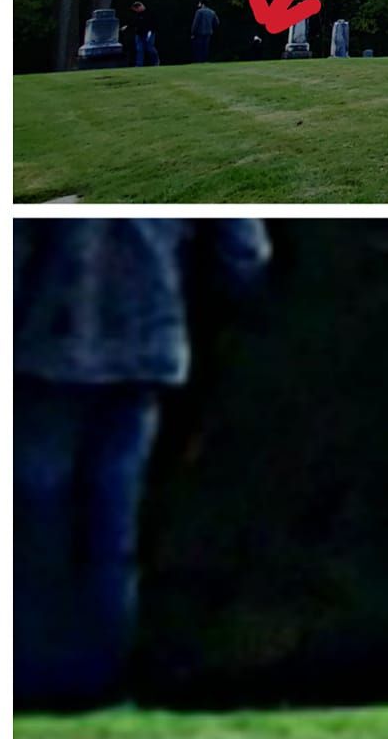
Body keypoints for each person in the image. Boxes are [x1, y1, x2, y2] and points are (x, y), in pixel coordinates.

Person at [14, 220, 271, 710]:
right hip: (145, 346)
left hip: (41, 345)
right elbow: (244, 254)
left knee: (36, 529)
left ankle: (35, 679)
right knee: (113, 533)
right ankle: (99, 681)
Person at [125, 0, 159, 66]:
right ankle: (139, 65)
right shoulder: (137, 14)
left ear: (140, 7)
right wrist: (127, 26)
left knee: (149, 48)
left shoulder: (149, 12)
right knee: (139, 50)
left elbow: (153, 23)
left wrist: (150, 31)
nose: (136, 11)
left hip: (149, 33)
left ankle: (156, 62)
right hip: (139, 34)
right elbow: (134, 22)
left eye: (136, 9)